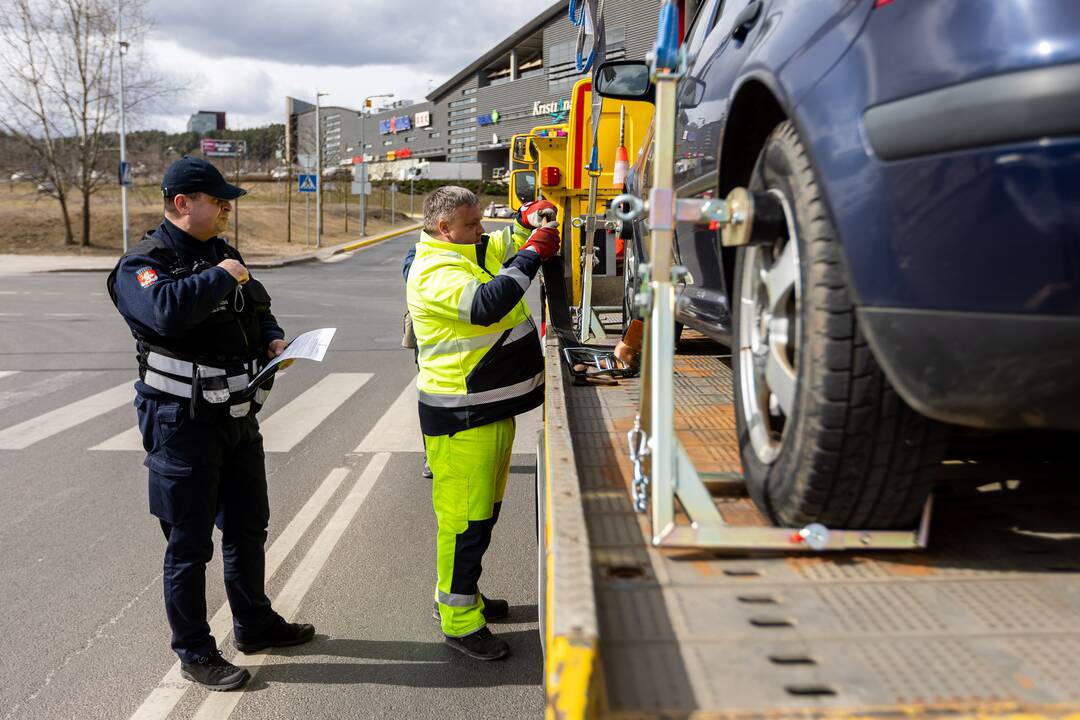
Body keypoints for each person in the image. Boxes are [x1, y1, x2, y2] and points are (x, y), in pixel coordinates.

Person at [107, 156, 314, 691]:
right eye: (218, 200)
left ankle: (254, 622)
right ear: (182, 204)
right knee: (189, 542)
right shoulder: (142, 264)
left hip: (237, 417)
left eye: (228, 201)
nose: (227, 208)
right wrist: (220, 276)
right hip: (182, 422)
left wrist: (272, 337)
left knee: (248, 527)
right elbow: (167, 314)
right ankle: (195, 651)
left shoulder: (225, 253)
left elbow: (257, 305)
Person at [406, 187, 559, 660]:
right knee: (463, 524)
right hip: (461, 416)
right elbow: (486, 304)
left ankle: (465, 594)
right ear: (443, 228)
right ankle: (458, 619)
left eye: (480, 222)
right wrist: (533, 253)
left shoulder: (466, 248)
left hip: (486, 410)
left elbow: (500, 246)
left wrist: (525, 223)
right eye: (472, 225)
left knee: (482, 517)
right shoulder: (433, 269)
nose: (481, 232)